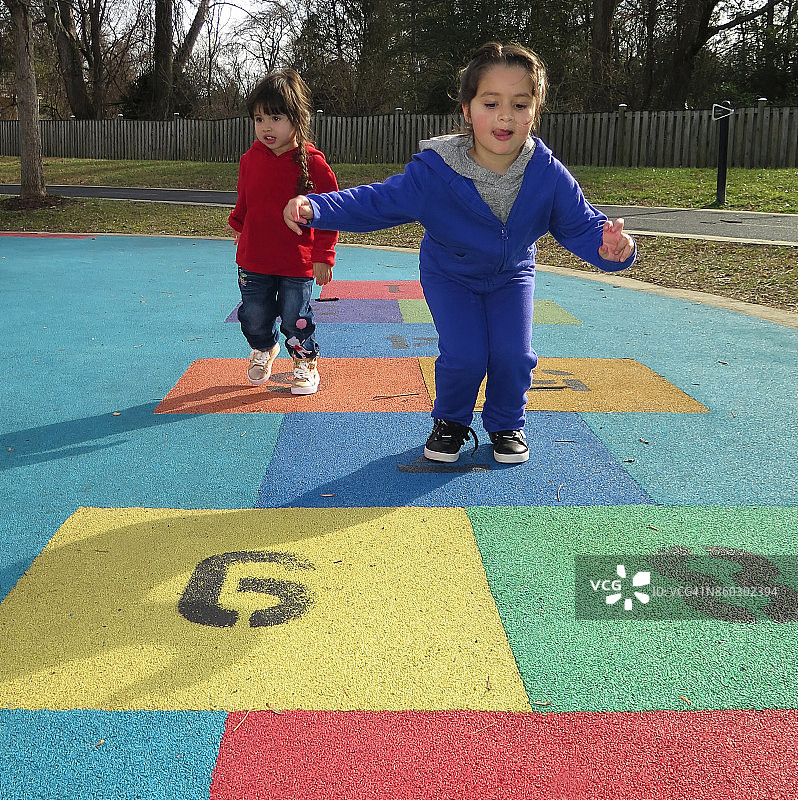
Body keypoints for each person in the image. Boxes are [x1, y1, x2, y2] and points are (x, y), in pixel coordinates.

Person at [284, 42, 636, 460]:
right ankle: (451, 421)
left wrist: (610, 247)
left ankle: (506, 425)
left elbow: (581, 224)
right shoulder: (435, 173)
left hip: (511, 276)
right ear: (468, 111)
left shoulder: (546, 173)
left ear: (534, 113)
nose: (505, 115)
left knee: (513, 355)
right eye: (491, 102)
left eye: (520, 104)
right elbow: (377, 201)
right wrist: (317, 207)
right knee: (466, 354)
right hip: (449, 275)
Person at [228, 68, 338, 395]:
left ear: (298, 118)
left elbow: (330, 211)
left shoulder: (314, 164)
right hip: (254, 258)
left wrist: (323, 256)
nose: (266, 127)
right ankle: (264, 347)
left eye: (275, 118)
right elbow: (245, 199)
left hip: (296, 262)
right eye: (259, 119)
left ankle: (305, 361)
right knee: (254, 316)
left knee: (295, 318)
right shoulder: (250, 159)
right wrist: (238, 223)